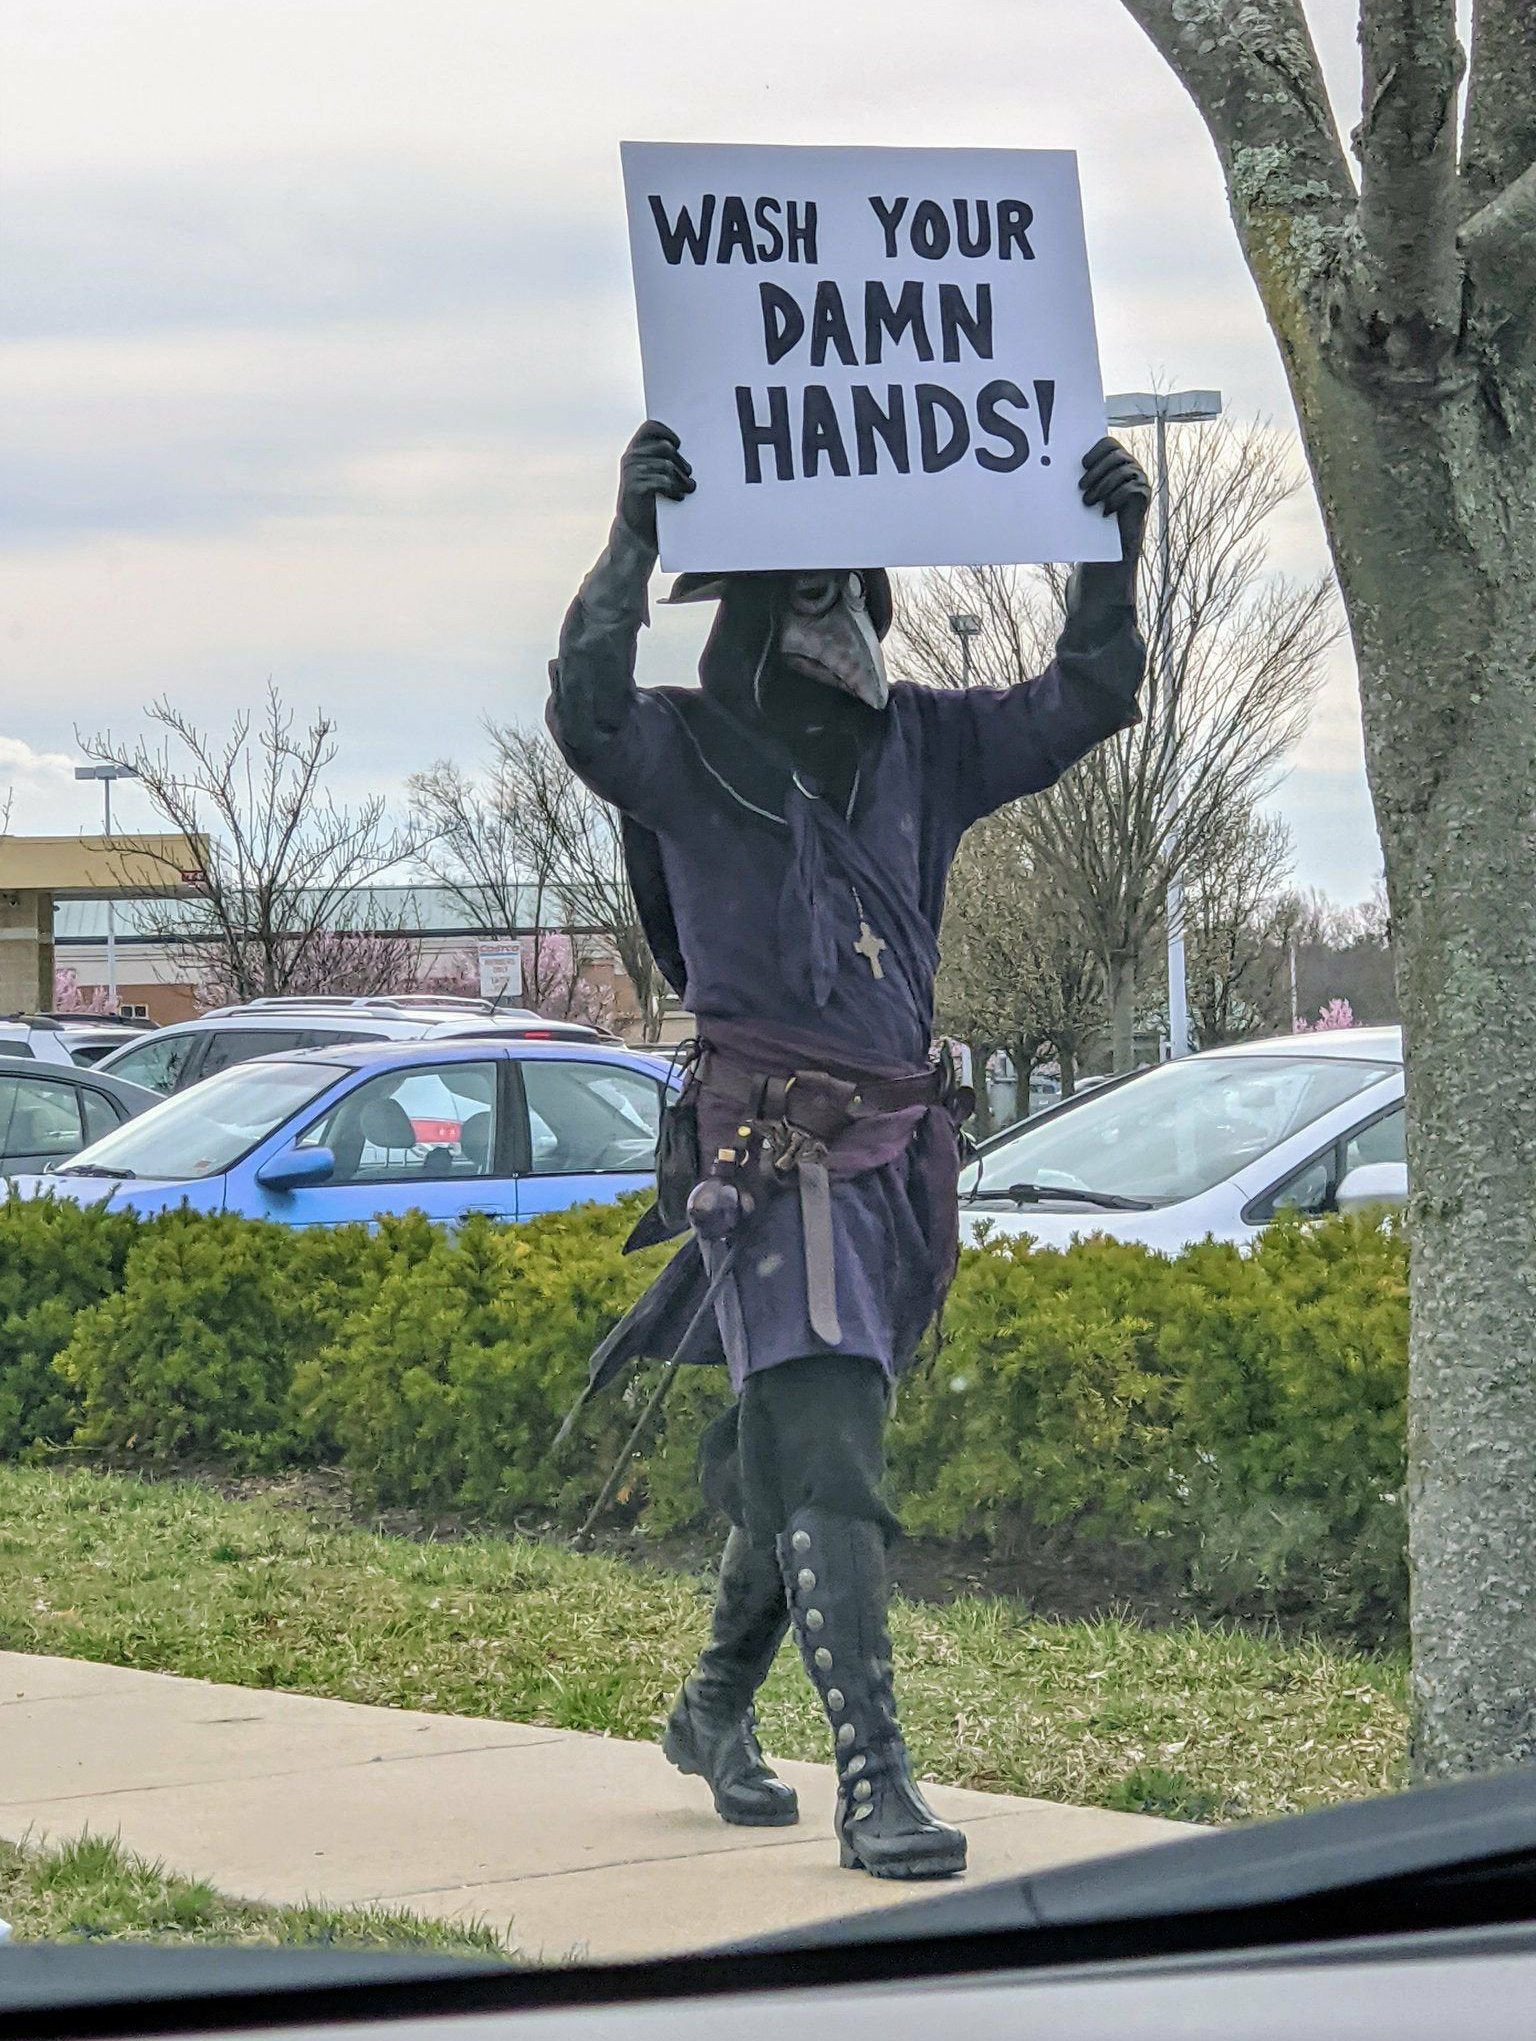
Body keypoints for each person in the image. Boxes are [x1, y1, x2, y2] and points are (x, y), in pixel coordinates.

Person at [547, 421, 1150, 1880]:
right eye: (799, 595)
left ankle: (708, 1710)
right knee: (823, 1437)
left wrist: (1107, 551)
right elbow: (583, 706)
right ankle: (874, 1779)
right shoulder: (686, 749)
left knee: (797, 1444)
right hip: (763, 1155)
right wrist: (631, 543)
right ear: (752, 614)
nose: (835, 620)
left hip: (895, 1155)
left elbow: (1090, 693)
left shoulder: (929, 746)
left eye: (848, 591)